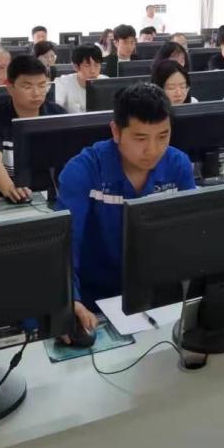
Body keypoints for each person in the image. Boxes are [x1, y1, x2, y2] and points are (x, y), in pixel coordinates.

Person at [58, 83, 196, 333]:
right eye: (140, 138)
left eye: (163, 136)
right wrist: (70, 300)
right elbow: (66, 246)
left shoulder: (178, 166)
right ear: (116, 131)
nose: (153, 150)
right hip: (95, 300)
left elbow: (191, 234)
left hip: (157, 296)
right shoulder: (84, 170)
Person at [0, 56, 66, 202]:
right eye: (27, 87)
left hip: (50, 196)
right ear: (10, 88)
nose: (36, 93)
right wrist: (9, 188)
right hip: (10, 199)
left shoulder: (58, 115)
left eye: (42, 85)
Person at [54, 44, 104, 114]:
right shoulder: (63, 83)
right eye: (87, 65)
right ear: (75, 67)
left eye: (97, 65)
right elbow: (54, 108)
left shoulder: (106, 82)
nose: (93, 71)